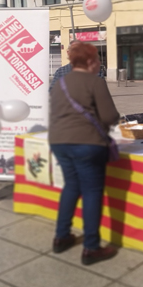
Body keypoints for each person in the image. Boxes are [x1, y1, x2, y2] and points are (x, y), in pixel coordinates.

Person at [49, 42, 120, 266]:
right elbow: (110, 117)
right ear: (90, 61)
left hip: (59, 142)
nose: (99, 64)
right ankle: (91, 247)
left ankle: (61, 237)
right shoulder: (95, 82)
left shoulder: (60, 83)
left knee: (71, 186)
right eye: (98, 60)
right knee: (92, 192)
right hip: (88, 144)